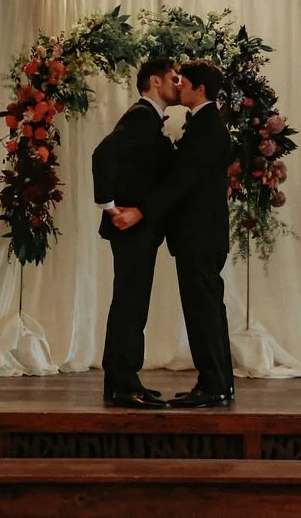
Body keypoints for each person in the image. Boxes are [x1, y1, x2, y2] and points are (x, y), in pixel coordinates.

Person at [115, 61, 234, 408]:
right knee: (207, 309)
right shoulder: (205, 124)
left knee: (204, 311)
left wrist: (142, 210)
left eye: (184, 83)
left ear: (199, 90)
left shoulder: (206, 126)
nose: (178, 87)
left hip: (200, 235)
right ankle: (218, 382)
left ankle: (214, 385)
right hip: (201, 235)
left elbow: (182, 181)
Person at [92, 58, 179, 409]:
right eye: (174, 78)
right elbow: (102, 154)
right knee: (131, 303)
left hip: (137, 225)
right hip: (131, 226)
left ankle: (120, 381)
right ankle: (124, 382)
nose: (178, 84)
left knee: (129, 302)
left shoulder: (146, 118)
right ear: (155, 82)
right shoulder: (142, 116)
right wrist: (110, 207)